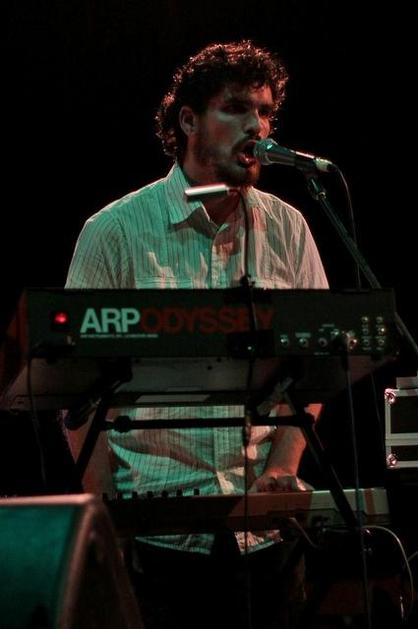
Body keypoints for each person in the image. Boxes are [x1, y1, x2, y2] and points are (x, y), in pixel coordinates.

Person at [65, 40, 329, 629]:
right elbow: (75, 391)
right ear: (188, 121)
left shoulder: (289, 228)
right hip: (154, 540)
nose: (256, 126)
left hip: (265, 539)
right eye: (236, 108)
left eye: (265, 112)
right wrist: (106, 522)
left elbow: (313, 371)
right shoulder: (114, 232)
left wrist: (282, 467)